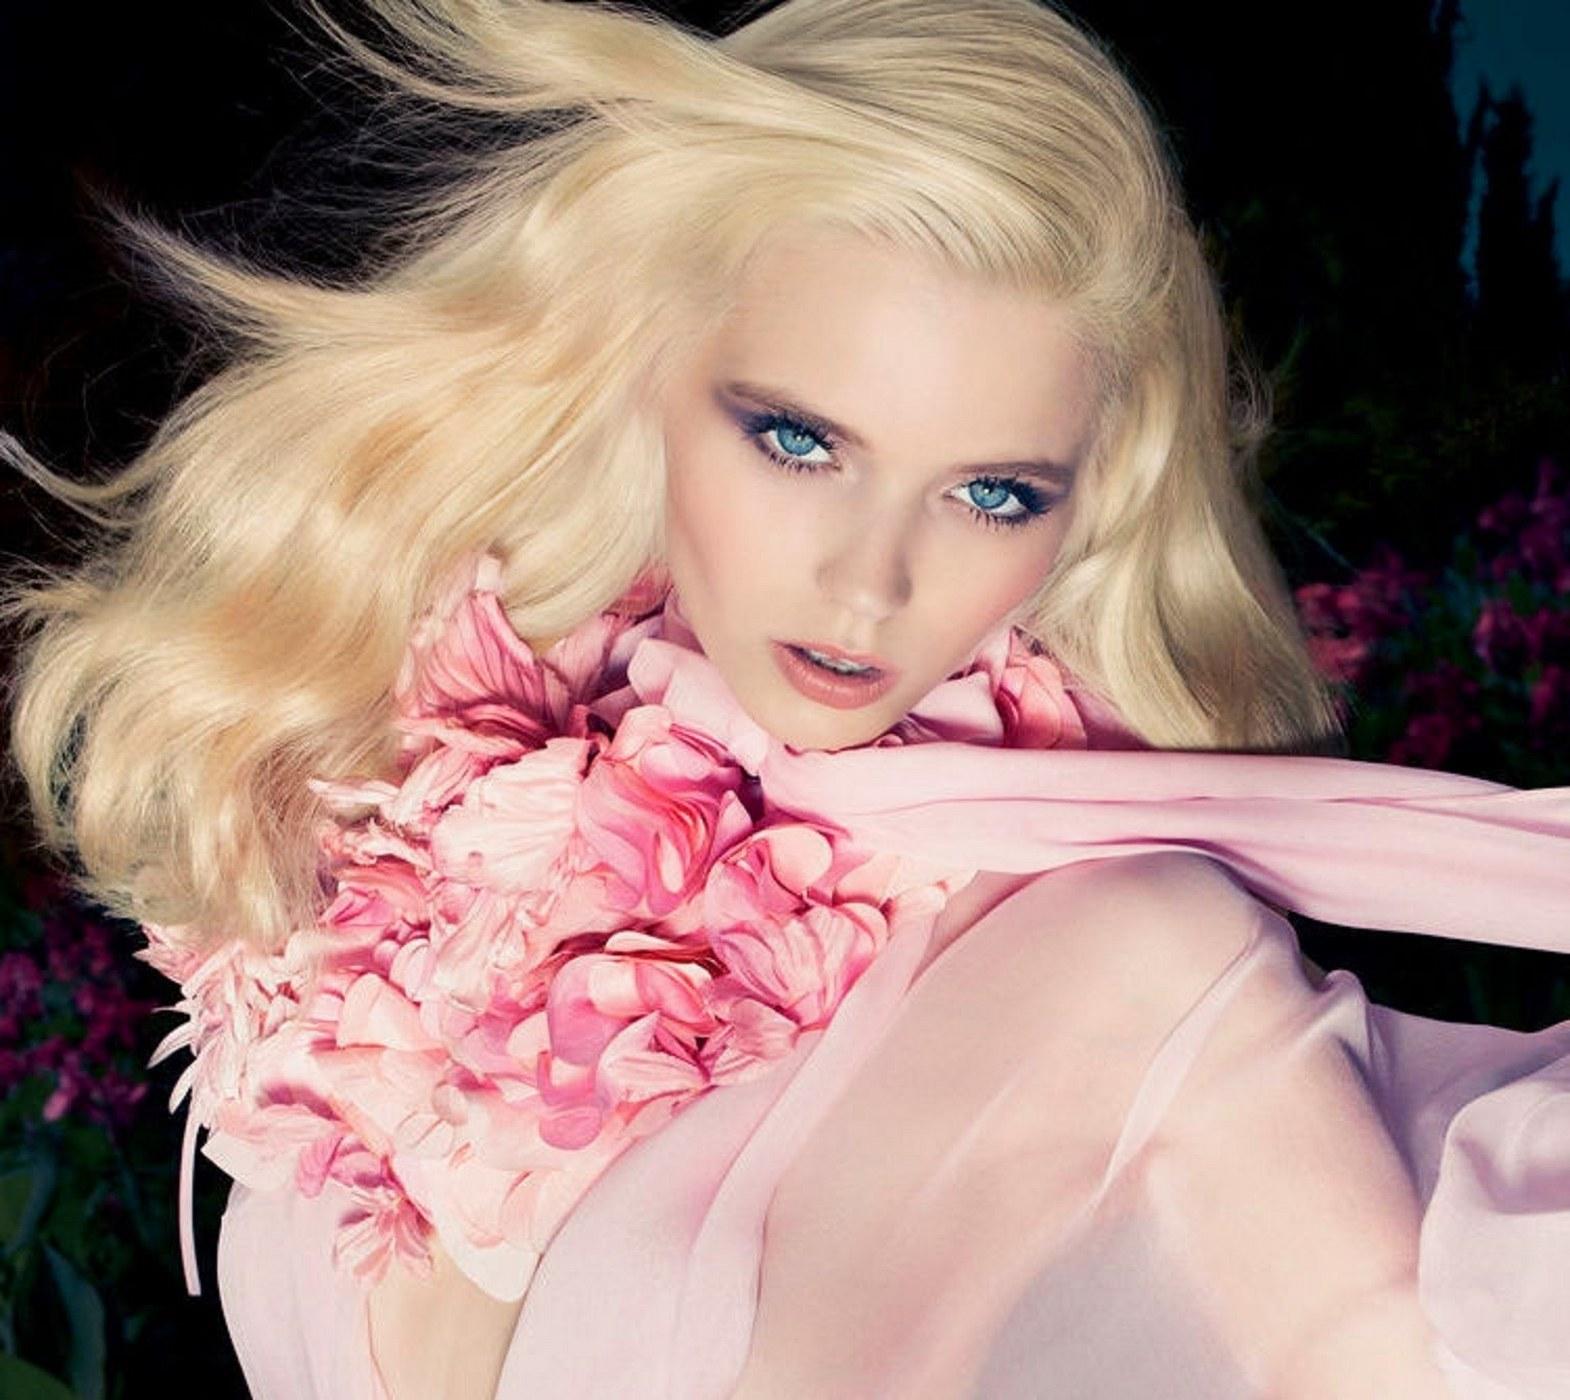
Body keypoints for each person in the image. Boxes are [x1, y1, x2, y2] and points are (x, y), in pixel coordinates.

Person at [2, 0, 1567, 1396]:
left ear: (1087, 510)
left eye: (993, 494)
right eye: (801, 441)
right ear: (639, 371)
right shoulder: (367, 889)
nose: (870, 582)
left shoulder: (1137, 967)